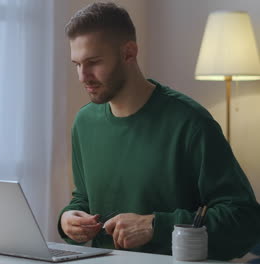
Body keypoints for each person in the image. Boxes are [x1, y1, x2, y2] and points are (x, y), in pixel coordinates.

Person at [57, 2, 260, 260]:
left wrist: (156, 226)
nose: (82, 76)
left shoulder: (191, 122)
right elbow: (85, 199)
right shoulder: (84, 123)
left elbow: (245, 221)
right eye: (77, 64)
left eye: (93, 62)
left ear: (129, 53)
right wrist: (68, 218)